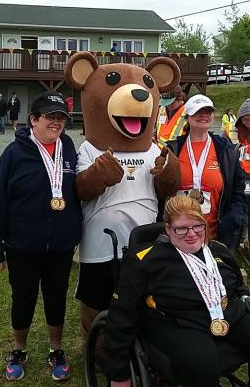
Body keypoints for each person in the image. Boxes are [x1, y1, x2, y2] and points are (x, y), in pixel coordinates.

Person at [104, 195, 250, 387]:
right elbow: (122, 313)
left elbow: (238, 286)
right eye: (181, 228)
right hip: (178, 323)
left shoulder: (218, 250)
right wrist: (119, 374)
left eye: (198, 226)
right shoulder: (145, 260)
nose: (191, 234)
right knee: (202, 361)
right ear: (167, 229)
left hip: (227, 314)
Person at [0, 91, 83, 381]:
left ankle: (56, 349)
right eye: (50, 117)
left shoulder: (68, 147)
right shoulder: (14, 153)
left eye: (61, 119)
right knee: (23, 298)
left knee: (56, 297)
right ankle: (19, 349)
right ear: (33, 119)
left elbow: (78, 189)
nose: (56, 123)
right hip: (22, 245)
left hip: (60, 245)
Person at [166, 94, 246, 248]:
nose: (204, 115)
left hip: (215, 237)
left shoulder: (227, 150)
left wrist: (232, 220)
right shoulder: (173, 149)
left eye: (208, 111)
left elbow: (238, 191)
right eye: (198, 111)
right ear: (187, 117)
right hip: (178, 237)